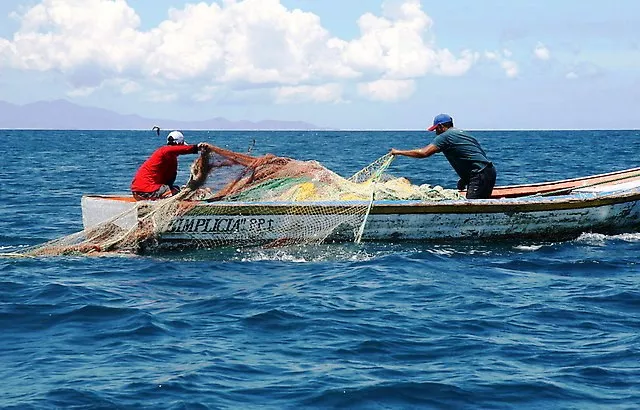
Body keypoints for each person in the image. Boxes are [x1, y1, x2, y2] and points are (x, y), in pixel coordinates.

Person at [390, 114, 496, 199]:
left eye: (436, 129)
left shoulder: (445, 136)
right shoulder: (463, 134)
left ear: (441, 126)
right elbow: (475, 156)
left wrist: (398, 152)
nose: (436, 133)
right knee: (480, 202)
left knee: (472, 209)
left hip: (479, 174)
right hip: (488, 171)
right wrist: (465, 179)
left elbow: (424, 153)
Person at [131, 130, 206, 200]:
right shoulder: (165, 151)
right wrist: (197, 148)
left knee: (176, 189)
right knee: (175, 192)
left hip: (139, 191)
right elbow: (181, 149)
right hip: (145, 191)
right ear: (179, 144)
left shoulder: (170, 159)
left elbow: (169, 182)